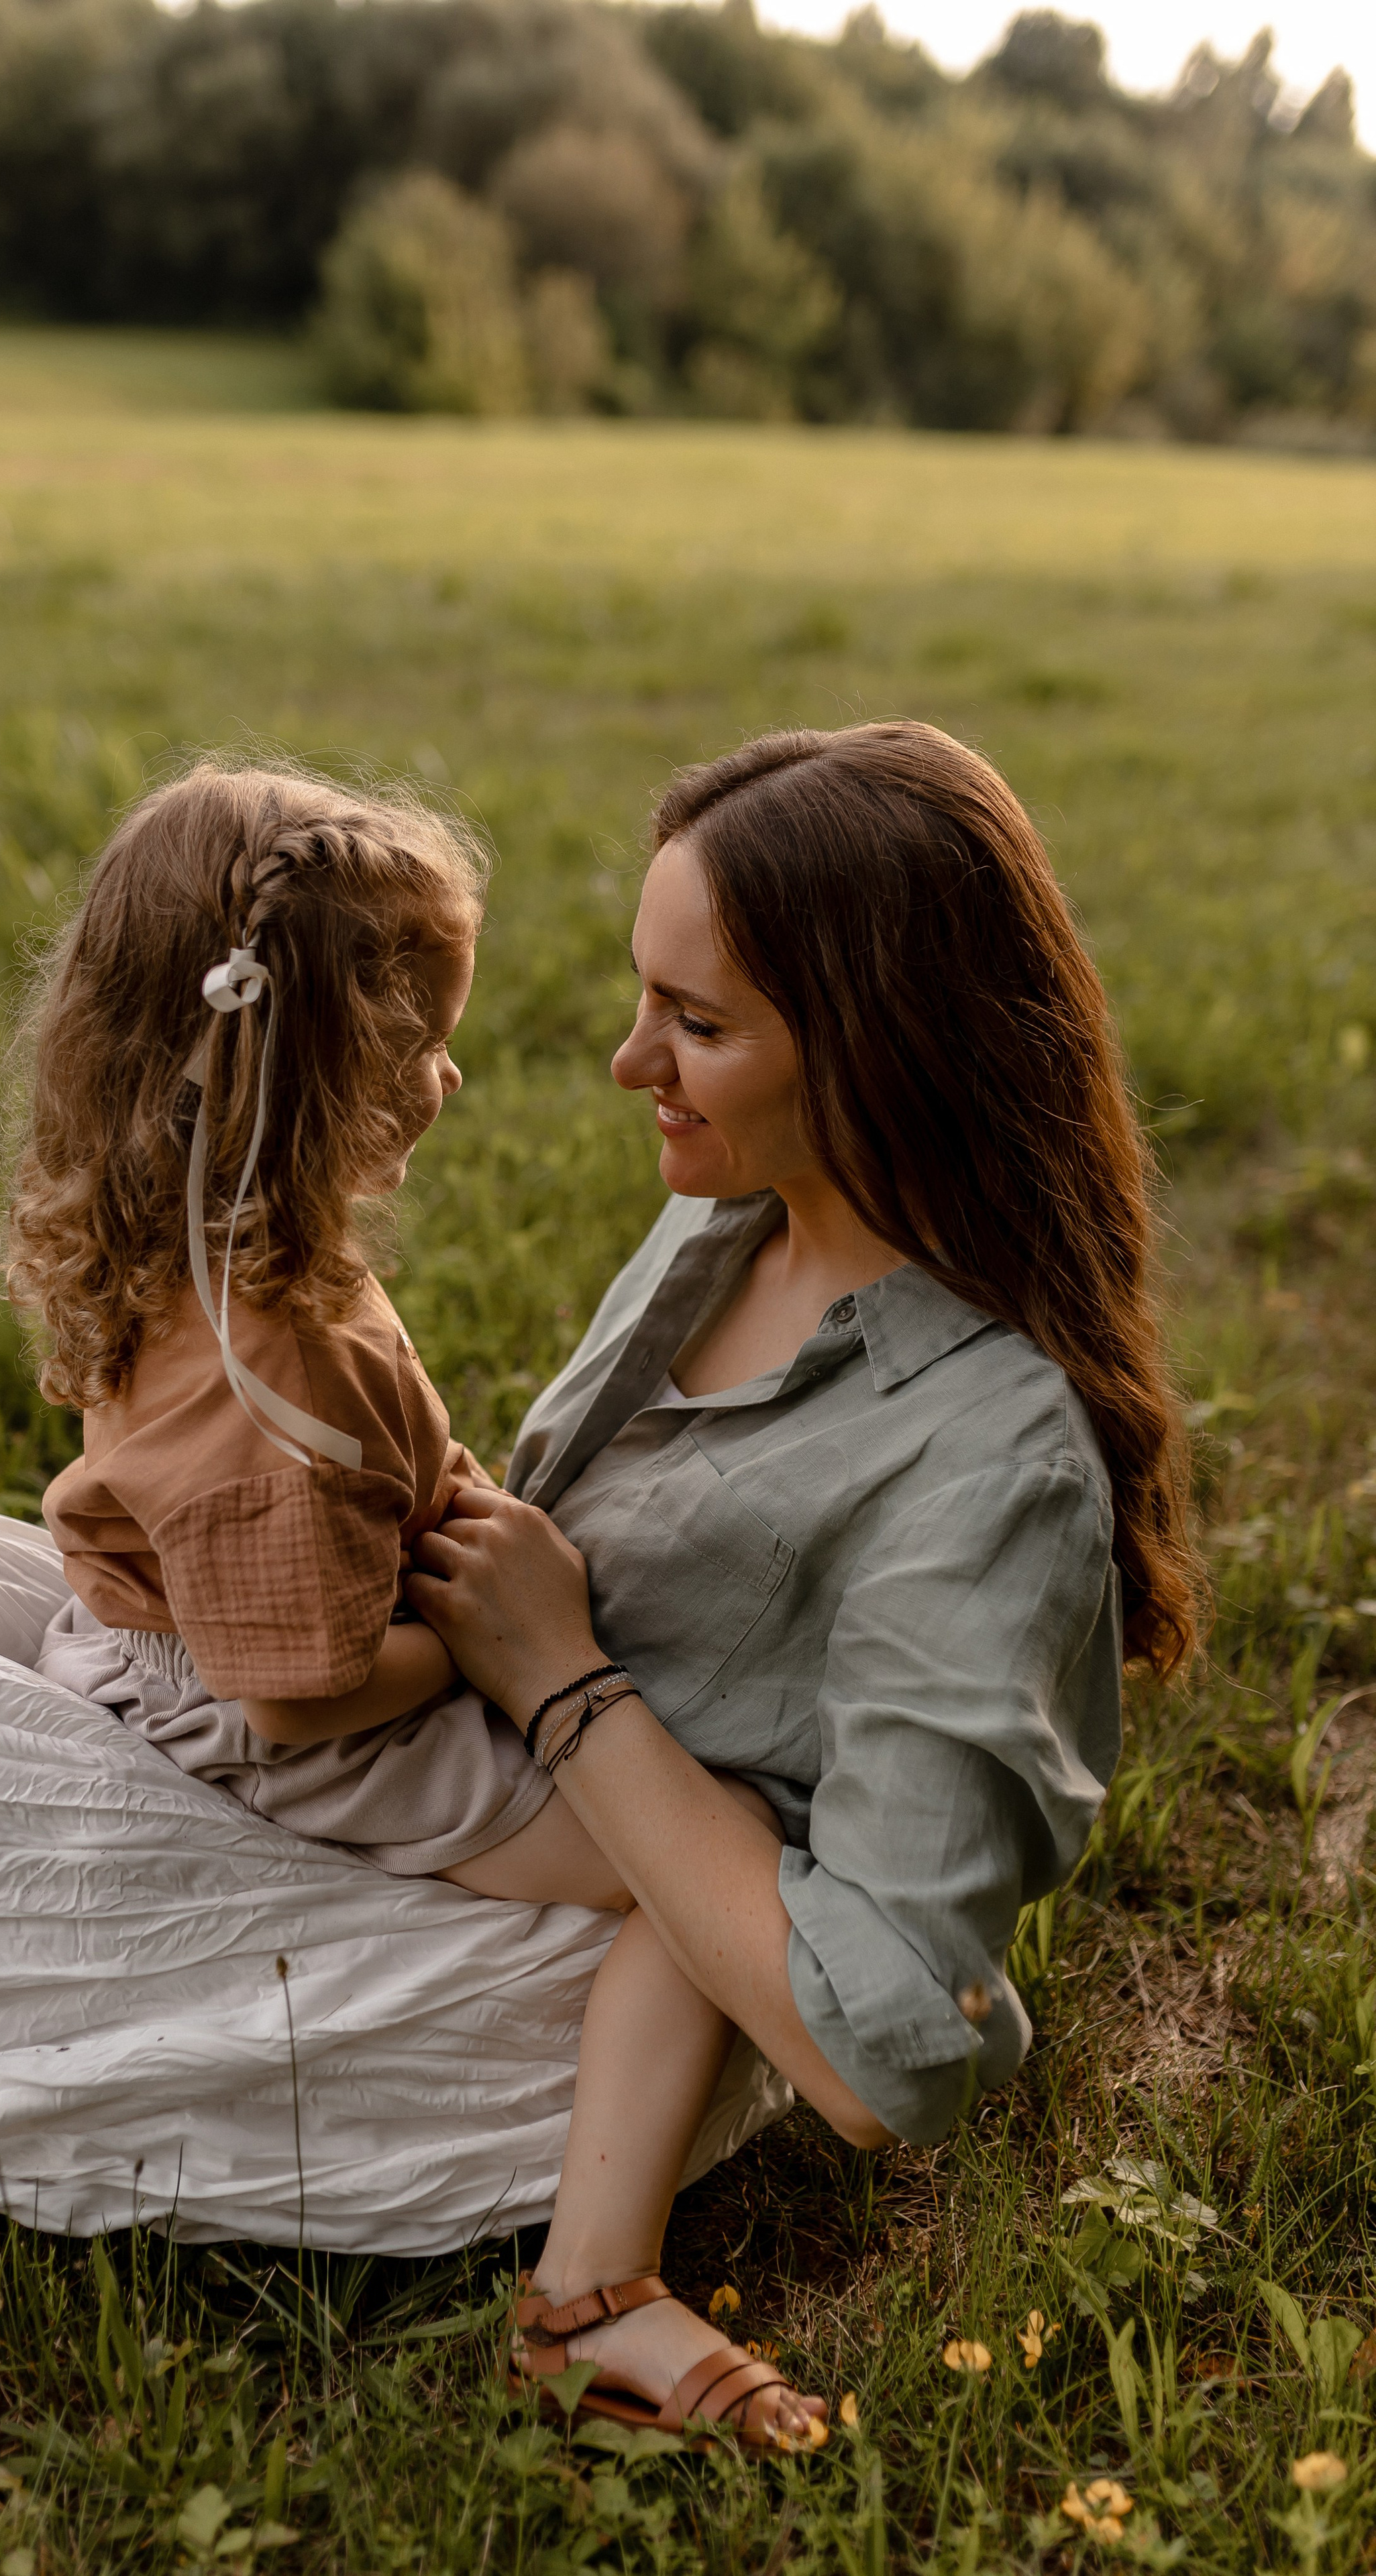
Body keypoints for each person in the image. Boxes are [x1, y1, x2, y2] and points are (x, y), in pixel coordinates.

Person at [3, 757, 825, 2447]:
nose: (448, 1072)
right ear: (304, 1071)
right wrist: (497, 1642)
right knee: (704, 1859)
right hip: (303, 1723)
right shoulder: (260, 1378)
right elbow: (296, 1693)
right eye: (415, 1043)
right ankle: (589, 2295)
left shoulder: (220, 1238)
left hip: (278, 1636)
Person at [407, 722, 1203, 2448]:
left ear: (883, 1048)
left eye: (698, 1025)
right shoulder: (735, 1218)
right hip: (437, 1760)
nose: (631, 1063)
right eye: (647, 999)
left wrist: (557, 1673)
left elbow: (885, 2052)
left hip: (540, 1893)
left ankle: (586, 2293)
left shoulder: (990, 1462)